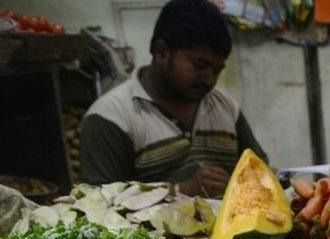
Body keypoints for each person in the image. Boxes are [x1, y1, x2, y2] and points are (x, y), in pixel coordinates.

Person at [80, 0, 265, 197]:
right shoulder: (110, 118)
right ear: (162, 52)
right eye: (199, 65)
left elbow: (261, 174)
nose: (210, 80)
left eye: (217, 70)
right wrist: (178, 192)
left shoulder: (226, 107)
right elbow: (99, 207)